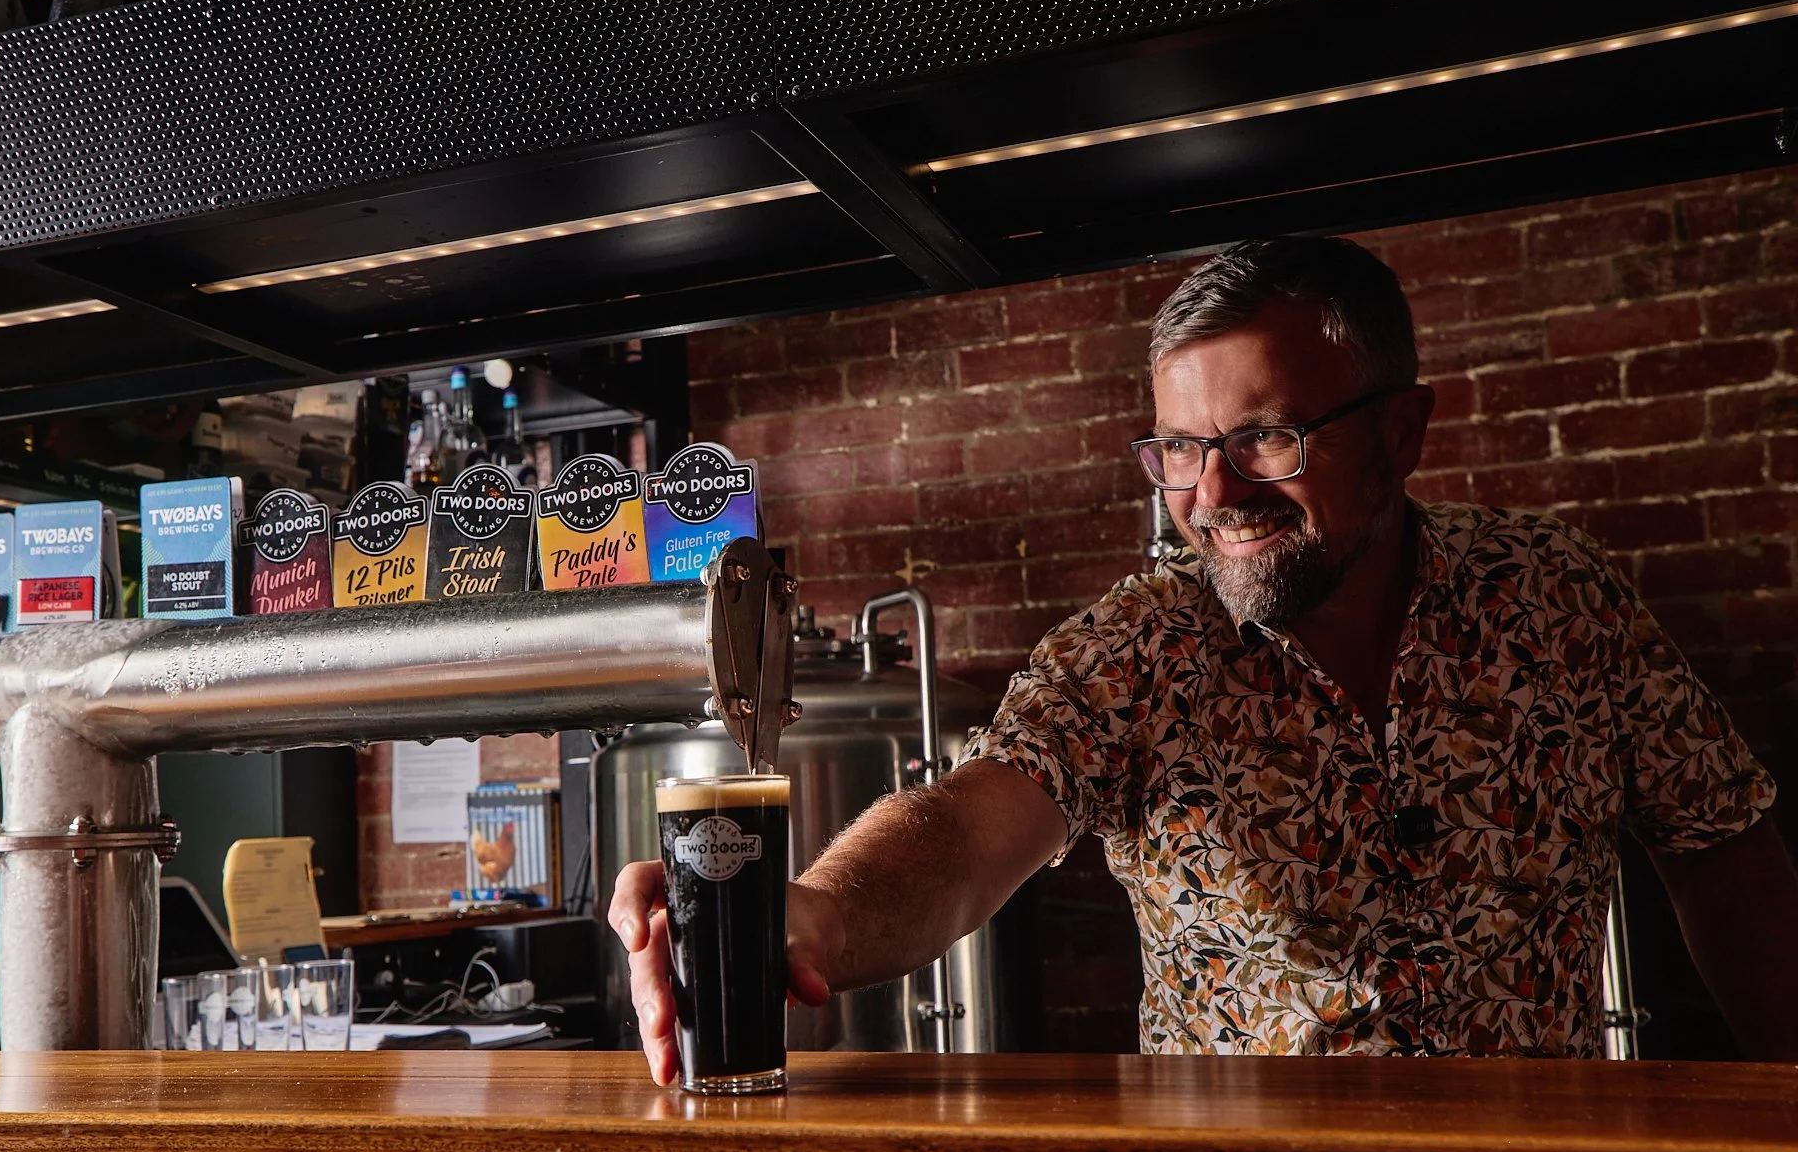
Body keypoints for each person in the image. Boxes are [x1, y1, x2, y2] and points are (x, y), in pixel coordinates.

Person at [612, 236, 1798, 1076]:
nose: (1213, 493)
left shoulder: (1558, 600)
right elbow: (966, 832)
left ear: (1401, 429)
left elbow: (1721, 853)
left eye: (1262, 437)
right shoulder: (1140, 649)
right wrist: (804, 916)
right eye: (1177, 450)